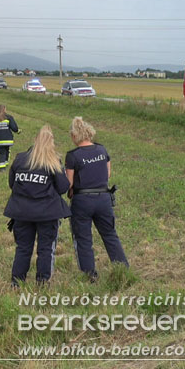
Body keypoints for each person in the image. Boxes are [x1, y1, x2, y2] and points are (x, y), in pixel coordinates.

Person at [4, 125, 71, 288]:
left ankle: (16, 282)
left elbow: (12, 184)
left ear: (35, 140)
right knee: (45, 249)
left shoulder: (20, 159)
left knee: (23, 248)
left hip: (22, 212)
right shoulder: (53, 162)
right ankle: (42, 282)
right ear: (52, 143)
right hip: (46, 214)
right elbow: (63, 187)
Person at [65, 117, 128, 282]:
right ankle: (123, 268)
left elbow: (68, 184)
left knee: (83, 238)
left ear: (74, 136)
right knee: (110, 234)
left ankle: (90, 274)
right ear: (89, 133)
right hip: (103, 199)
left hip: (82, 201)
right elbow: (107, 175)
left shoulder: (72, 156)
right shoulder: (102, 150)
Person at [0, 104, 20, 171]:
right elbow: (14, 128)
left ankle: (3, 166)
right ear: (4, 109)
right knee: (7, 150)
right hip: (8, 140)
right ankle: (3, 166)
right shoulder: (9, 117)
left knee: (2, 152)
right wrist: (18, 131)